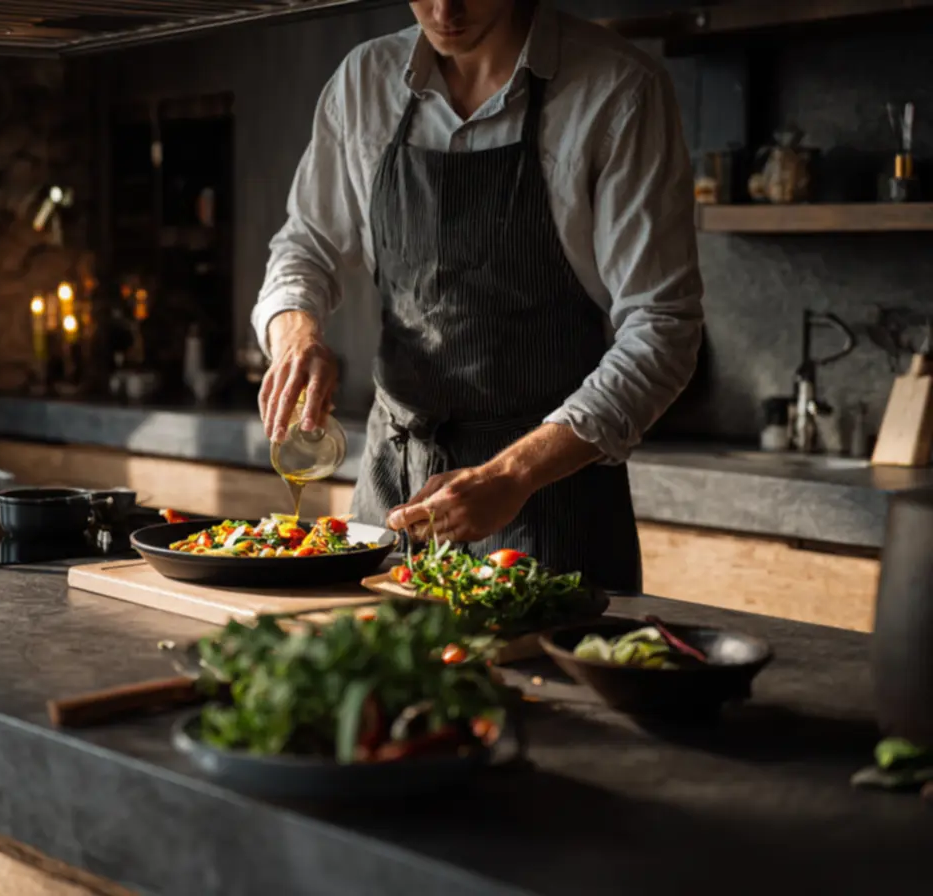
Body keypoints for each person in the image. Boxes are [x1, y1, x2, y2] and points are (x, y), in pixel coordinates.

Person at [253, 0, 703, 591]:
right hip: (393, 493)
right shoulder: (364, 81)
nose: (444, 9)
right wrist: (297, 333)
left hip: (549, 501)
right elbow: (305, 245)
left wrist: (512, 474)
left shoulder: (617, 89)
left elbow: (662, 325)